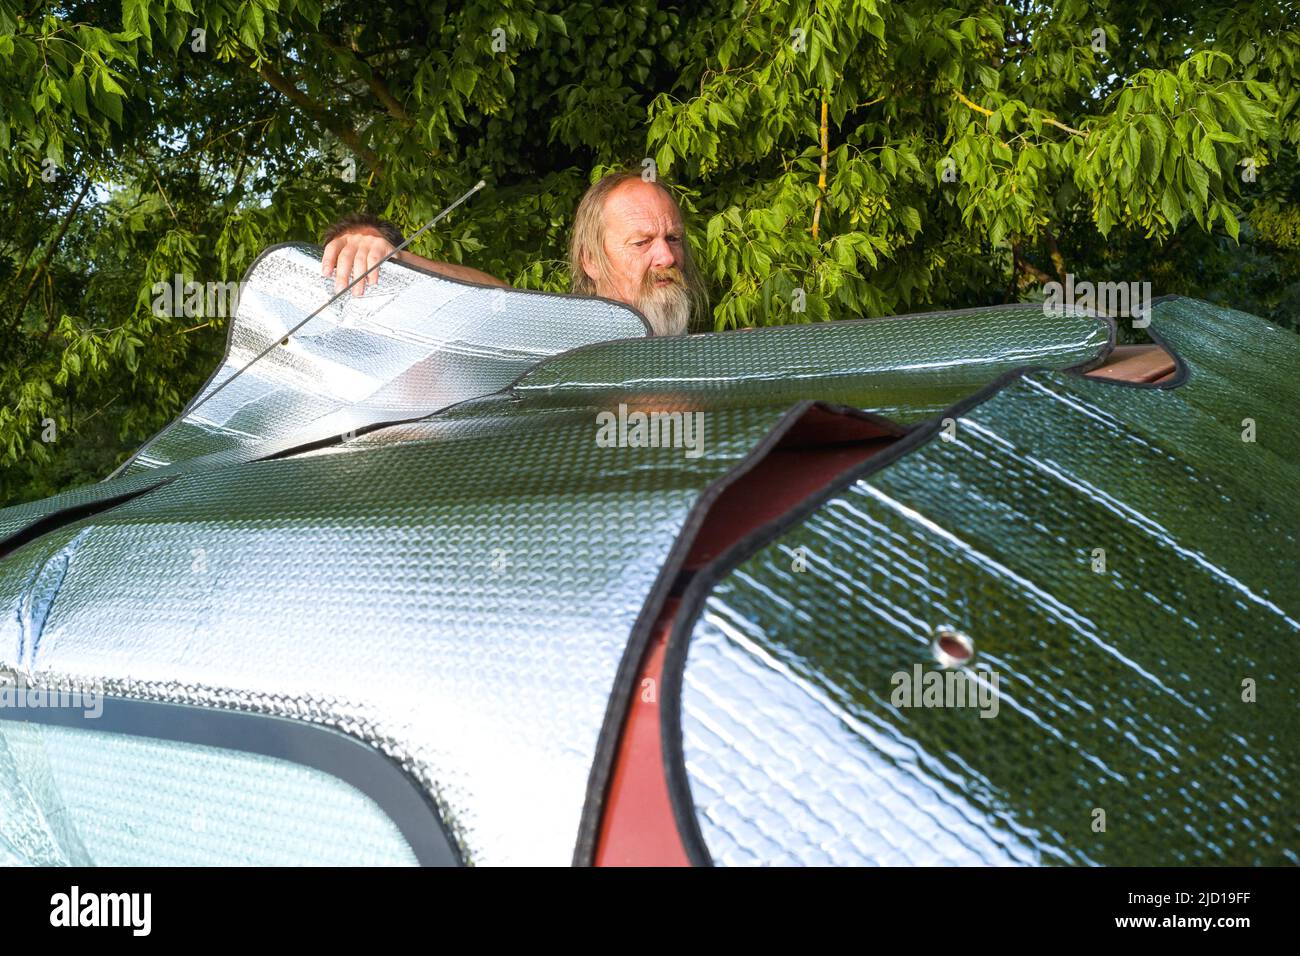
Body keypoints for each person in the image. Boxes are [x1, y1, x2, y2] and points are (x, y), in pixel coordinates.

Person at [319, 170, 708, 335]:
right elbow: (496, 298)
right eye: (642, 243)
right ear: (590, 260)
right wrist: (398, 260)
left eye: (673, 239)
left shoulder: (707, 355)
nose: (667, 258)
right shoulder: (562, 341)